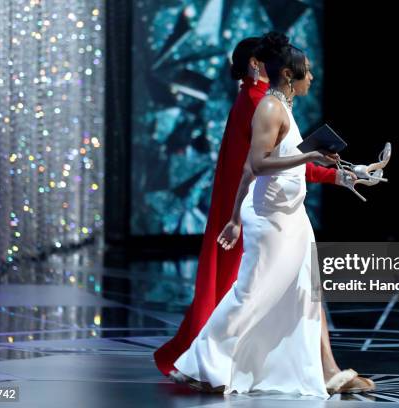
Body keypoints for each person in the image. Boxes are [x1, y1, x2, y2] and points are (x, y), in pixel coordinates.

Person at [155, 36, 373, 394]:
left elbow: (280, 163)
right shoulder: (262, 105)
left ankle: (323, 369)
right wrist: (237, 217)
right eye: (306, 70)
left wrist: (345, 173)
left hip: (291, 215)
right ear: (273, 69)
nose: (311, 77)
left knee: (306, 292)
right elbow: (254, 166)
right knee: (253, 292)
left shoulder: (275, 104)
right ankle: (202, 361)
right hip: (272, 217)